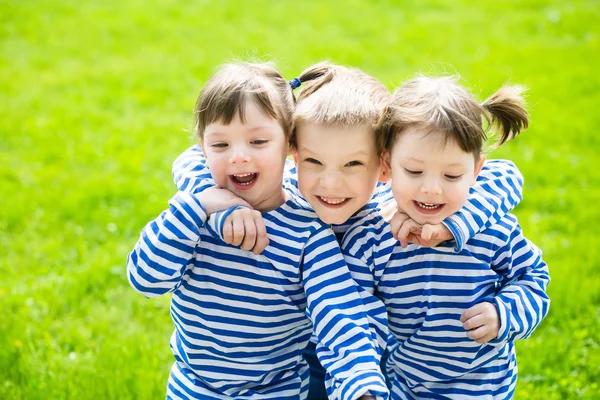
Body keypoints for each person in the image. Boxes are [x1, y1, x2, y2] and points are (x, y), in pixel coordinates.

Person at [171, 63, 528, 399]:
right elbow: (193, 157)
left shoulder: (400, 205)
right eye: (313, 162)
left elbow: (503, 175)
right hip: (292, 359)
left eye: (354, 164)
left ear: (383, 165)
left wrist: (452, 226)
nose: (331, 183)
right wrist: (217, 203)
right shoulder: (284, 191)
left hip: (358, 353)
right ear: (292, 153)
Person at [127, 62, 389, 400]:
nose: (238, 157)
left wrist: (361, 387)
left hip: (274, 391)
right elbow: (146, 280)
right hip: (192, 388)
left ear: (290, 146)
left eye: (258, 141)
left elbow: (338, 312)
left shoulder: (308, 234)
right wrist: (201, 205)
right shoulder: (194, 214)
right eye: (220, 145)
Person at [342, 76, 550, 399]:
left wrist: (503, 313)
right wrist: (362, 383)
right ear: (387, 164)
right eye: (413, 171)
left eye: (452, 176)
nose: (431, 189)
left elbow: (533, 279)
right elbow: (355, 313)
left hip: (482, 387)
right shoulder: (373, 236)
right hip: (404, 387)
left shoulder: (493, 231)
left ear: (477, 171)